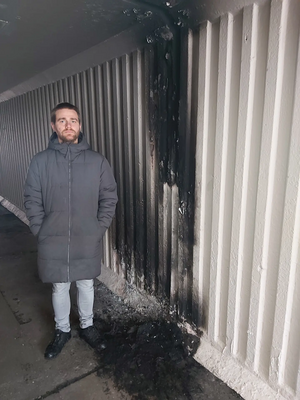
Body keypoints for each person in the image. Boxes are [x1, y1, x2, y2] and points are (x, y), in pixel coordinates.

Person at [24, 102, 118, 359]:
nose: (68, 125)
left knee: (87, 284)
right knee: (60, 286)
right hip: (51, 238)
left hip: (86, 236)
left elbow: (109, 197)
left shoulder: (96, 161)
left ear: (80, 125)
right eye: (62, 120)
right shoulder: (40, 161)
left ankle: (87, 326)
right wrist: (39, 229)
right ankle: (62, 330)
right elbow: (31, 198)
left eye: (73, 120)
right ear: (53, 126)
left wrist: (98, 228)